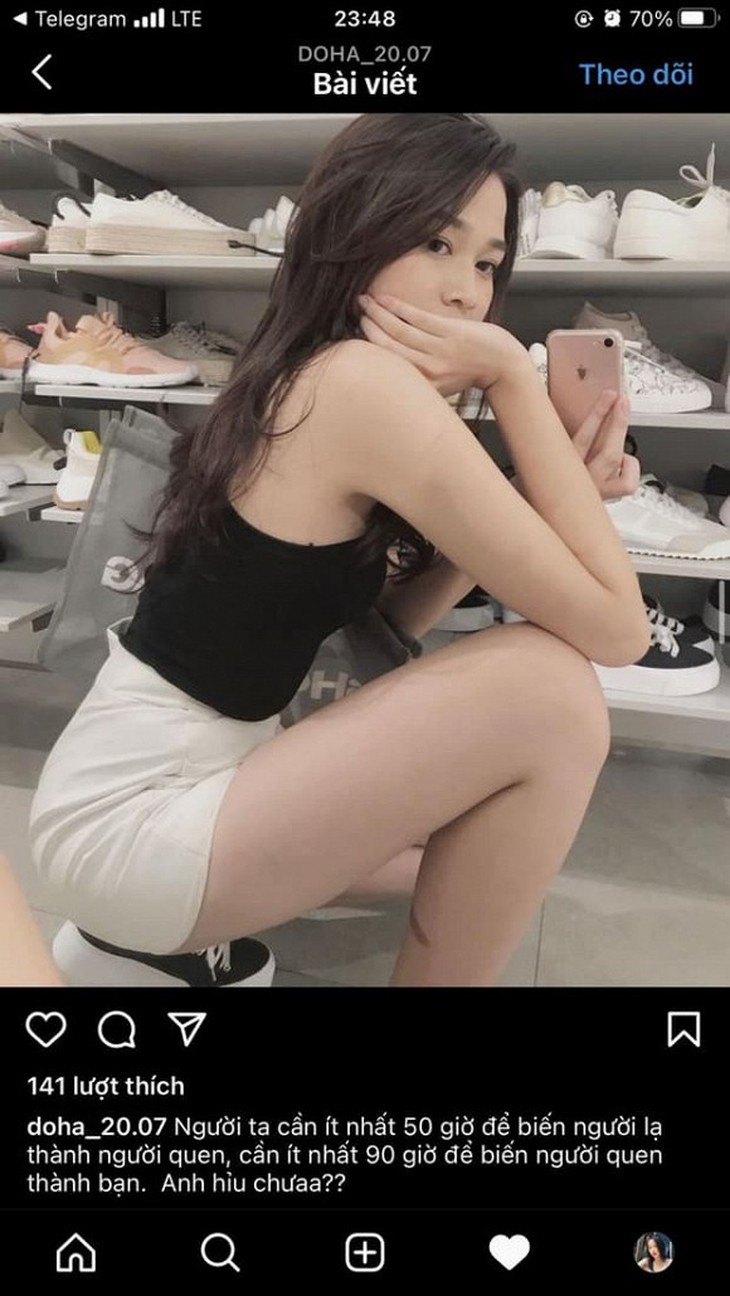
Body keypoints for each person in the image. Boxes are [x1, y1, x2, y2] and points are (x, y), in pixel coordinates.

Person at [27, 113, 650, 988]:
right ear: (353, 235)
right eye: (435, 243)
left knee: (488, 841)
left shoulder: (310, 370)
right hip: (136, 816)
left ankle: (134, 950)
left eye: (486, 263)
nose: (467, 294)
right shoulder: (357, 384)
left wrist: (549, 494)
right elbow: (619, 632)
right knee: (552, 691)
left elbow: (378, 629)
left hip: (161, 779)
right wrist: (513, 375)